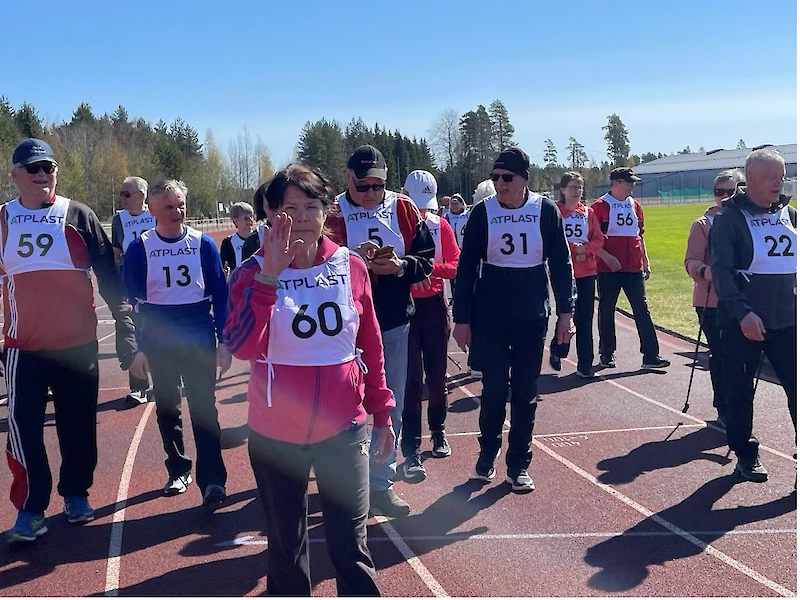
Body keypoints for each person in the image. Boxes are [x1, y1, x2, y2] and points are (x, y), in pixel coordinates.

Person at [223, 164, 394, 596]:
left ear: (326, 211)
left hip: (344, 428)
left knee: (350, 546)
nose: (300, 217)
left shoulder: (351, 266)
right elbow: (242, 346)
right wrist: (269, 279)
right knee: (286, 550)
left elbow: (370, 344)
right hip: (276, 435)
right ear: (270, 213)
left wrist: (382, 413)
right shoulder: (249, 272)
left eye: (310, 206)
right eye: (289, 208)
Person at [1, 139, 136, 543]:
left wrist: (125, 326)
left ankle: (76, 493)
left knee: (78, 427)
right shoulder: (2, 219)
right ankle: (31, 508)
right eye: (33, 169)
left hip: (78, 347)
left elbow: (108, 276)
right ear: (15, 175)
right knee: (24, 430)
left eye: (49, 168)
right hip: (24, 348)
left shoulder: (78, 215)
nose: (43, 175)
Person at [453, 148, 575, 492]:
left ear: (524, 179)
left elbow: (562, 266)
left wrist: (567, 312)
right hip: (490, 318)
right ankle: (487, 453)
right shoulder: (482, 213)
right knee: (493, 391)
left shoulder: (545, 211)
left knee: (525, 393)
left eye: (507, 178)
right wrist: (461, 318)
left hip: (531, 317)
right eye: (495, 178)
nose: (500, 184)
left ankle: (518, 463)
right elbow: (466, 270)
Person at [326, 145, 435, 517]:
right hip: (339, 326)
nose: (371, 193)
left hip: (392, 321)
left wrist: (400, 266)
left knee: (391, 401)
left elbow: (427, 260)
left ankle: (380, 481)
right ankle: (343, 478)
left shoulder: (403, 207)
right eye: (363, 186)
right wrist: (353, 260)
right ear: (348, 180)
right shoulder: (333, 212)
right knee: (339, 403)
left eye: (377, 185)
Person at [124, 179, 231, 506]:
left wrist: (223, 341)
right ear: (152, 209)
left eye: (181, 205)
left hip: (198, 339)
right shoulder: (139, 248)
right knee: (168, 408)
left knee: (204, 410)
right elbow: (135, 304)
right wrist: (139, 347)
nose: (176, 212)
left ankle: (213, 481)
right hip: (159, 343)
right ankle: (178, 468)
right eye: (168, 206)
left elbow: (221, 296)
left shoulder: (203, 245)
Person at [709, 148, 796, 482]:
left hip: (788, 321)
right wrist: (743, 313)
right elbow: (722, 272)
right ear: (753, 180)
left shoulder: (791, 214)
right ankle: (746, 453)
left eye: (782, 177)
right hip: (741, 324)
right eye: (772, 178)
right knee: (740, 391)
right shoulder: (730, 219)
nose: (779, 183)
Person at [399, 171, 460, 483]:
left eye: (426, 205)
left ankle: (438, 431)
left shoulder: (441, 226)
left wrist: (426, 268)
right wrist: (409, 273)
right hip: (405, 310)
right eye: (416, 204)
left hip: (435, 307)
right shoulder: (394, 226)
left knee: (437, 377)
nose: (422, 212)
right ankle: (410, 448)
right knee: (409, 382)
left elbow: (454, 265)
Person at [592, 167, 671, 370]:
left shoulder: (635, 205)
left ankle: (651, 355)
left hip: (633, 267)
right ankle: (607, 353)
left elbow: (639, 235)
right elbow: (591, 238)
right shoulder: (599, 207)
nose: (633, 186)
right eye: (629, 182)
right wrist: (606, 256)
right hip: (608, 269)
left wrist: (645, 260)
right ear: (616, 183)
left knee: (642, 310)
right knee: (607, 309)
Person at [684, 169, 744, 427]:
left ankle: (740, 409)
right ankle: (724, 408)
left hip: (743, 300)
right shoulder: (703, 225)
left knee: (741, 357)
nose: (724, 197)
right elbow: (691, 261)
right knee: (720, 355)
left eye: (731, 192)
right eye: (720, 192)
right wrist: (708, 272)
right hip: (711, 301)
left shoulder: (747, 221)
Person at [548, 172, 608, 378]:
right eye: (572, 187)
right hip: (562, 272)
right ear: (563, 190)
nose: (577, 191)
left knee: (585, 318)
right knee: (565, 314)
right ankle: (558, 349)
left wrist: (586, 249)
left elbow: (599, 239)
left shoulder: (588, 213)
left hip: (586, 272)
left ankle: (585, 365)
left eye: (580, 187)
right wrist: (575, 249)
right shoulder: (554, 212)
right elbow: (550, 240)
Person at [111, 176, 155, 407]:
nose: (123, 199)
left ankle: (164, 381)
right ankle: (138, 387)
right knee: (133, 333)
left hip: (157, 284)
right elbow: (116, 254)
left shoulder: (155, 215)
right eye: (121, 194)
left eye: (127, 194)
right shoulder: (119, 220)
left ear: (142, 195)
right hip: (132, 285)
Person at [219, 201, 256, 276]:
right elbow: (223, 266)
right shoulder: (228, 242)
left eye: (252, 216)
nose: (250, 220)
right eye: (246, 218)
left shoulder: (260, 238)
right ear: (235, 220)